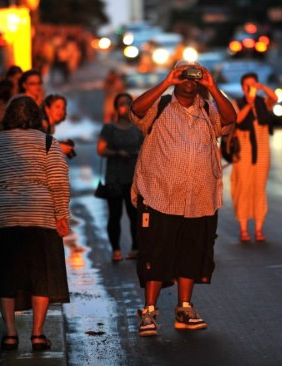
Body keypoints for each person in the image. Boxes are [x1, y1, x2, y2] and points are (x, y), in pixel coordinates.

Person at [129, 60, 236, 336]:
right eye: (184, 73)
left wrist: (213, 87)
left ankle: (184, 308)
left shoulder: (208, 110)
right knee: (155, 255)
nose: (190, 78)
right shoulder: (161, 106)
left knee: (191, 255)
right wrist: (167, 82)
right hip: (159, 196)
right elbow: (136, 110)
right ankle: (149, 313)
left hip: (199, 199)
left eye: (195, 74)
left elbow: (230, 120)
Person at [0, 96, 70, 351]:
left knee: (5, 275)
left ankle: (10, 334)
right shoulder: (47, 142)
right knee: (41, 277)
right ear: (36, 116)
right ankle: (37, 334)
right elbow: (58, 181)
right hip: (39, 215)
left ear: (8, 115)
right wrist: (61, 216)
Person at [231, 72, 277, 243]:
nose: (250, 88)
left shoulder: (263, 102)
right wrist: (249, 104)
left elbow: (274, 98)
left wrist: (261, 88)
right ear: (242, 87)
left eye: (252, 85)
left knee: (259, 188)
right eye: (247, 86)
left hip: (262, 148)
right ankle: (243, 229)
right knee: (243, 187)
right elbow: (238, 119)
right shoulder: (237, 103)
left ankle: (259, 228)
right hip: (244, 149)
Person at [97, 93, 143, 262]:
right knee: (115, 216)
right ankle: (116, 249)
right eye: (121, 103)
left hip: (133, 179)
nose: (124, 106)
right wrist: (117, 153)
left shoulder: (138, 128)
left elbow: (146, 148)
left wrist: (138, 153)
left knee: (135, 216)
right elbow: (101, 150)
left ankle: (135, 248)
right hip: (114, 179)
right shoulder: (109, 128)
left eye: (127, 103)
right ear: (116, 107)